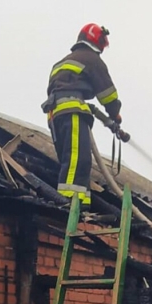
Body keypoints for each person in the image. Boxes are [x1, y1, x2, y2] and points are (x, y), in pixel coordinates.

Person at [42, 23, 123, 208]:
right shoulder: (91, 59)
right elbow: (108, 94)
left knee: (68, 160)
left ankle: (79, 206)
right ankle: (70, 205)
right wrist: (115, 113)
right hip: (73, 112)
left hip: (55, 116)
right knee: (78, 161)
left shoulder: (61, 62)